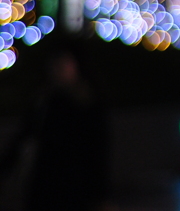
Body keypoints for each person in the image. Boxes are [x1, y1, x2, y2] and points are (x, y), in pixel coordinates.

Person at [0, 41, 111, 211]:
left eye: (64, 63)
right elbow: (23, 137)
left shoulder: (87, 104)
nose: (57, 69)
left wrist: (101, 196)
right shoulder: (45, 101)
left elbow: (98, 153)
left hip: (75, 189)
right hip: (46, 186)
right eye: (55, 63)